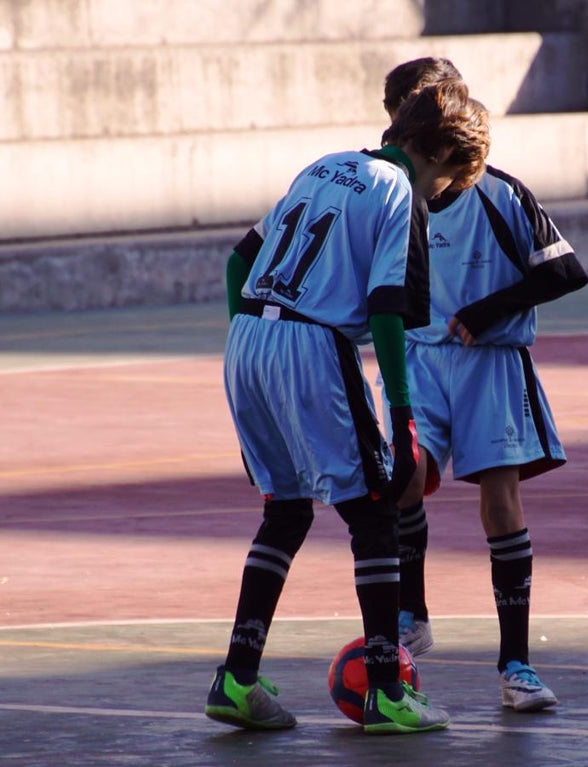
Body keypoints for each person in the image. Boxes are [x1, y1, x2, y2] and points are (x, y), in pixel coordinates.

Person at [204, 78, 491, 735]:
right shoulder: (399, 194)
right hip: (312, 345)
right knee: (376, 512)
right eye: (449, 181)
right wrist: (404, 415)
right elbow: (387, 308)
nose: (441, 195)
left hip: (247, 339)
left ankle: (236, 678)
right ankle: (387, 691)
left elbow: (237, 262)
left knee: (286, 510)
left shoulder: (323, 166)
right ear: (440, 156)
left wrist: (256, 350)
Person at [381, 58, 588, 712]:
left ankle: (516, 664)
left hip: (489, 363)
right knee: (402, 478)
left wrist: (489, 309)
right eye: (405, 109)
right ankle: (411, 612)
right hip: (419, 358)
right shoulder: (389, 194)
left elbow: (567, 272)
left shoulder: (500, 195)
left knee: (501, 501)